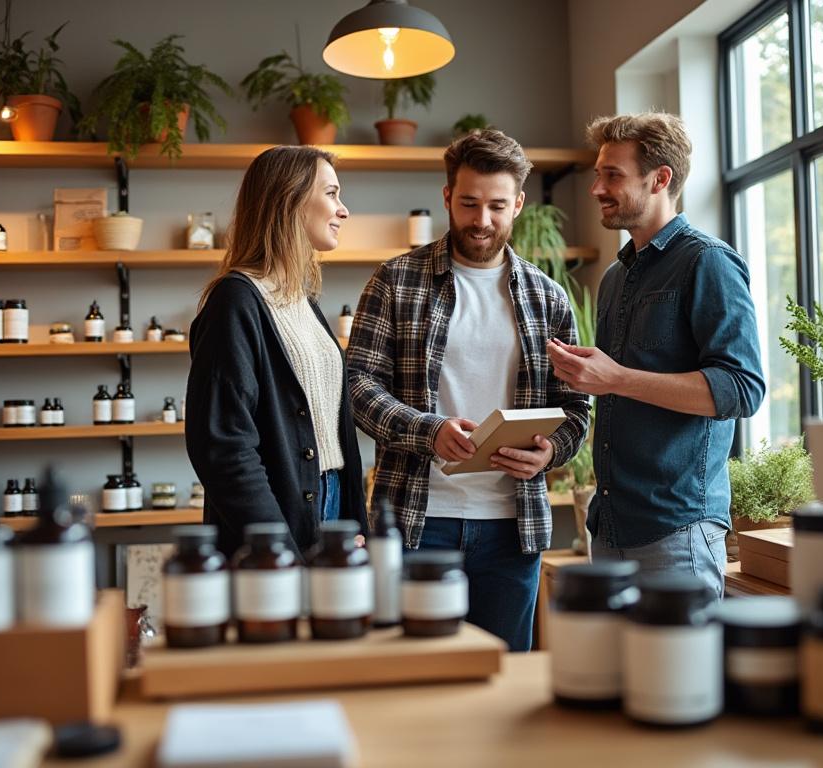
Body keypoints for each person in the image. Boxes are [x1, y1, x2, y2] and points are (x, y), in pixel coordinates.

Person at [347, 129, 590, 651]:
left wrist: (550, 452)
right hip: (416, 522)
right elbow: (358, 386)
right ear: (447, 197)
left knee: (504, 678)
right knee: (413, 673)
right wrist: (429, 431)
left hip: (513, 529)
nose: (482, 220)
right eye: (469, 203)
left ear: (518, 204)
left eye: (497, 206)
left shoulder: (548, 299)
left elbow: (575, 407)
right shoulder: (395, 281)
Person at [547, 112, 765, 600]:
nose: (596, 188)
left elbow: (741, 389)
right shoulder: (615, 278)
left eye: (612, 175)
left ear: (660, 179)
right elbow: (614, 383)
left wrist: (616, 378)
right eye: (598, 174)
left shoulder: (708, 261)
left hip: (677, 532)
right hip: (609, 528)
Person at [186, 146, 366, 559]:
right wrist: (277, 551)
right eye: (331, 194)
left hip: (332, 506)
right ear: (291, 200)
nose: (343, 210)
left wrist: (349, 522)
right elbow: (223, 447)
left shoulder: (304, 300)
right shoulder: (236, 301)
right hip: (278, 523)